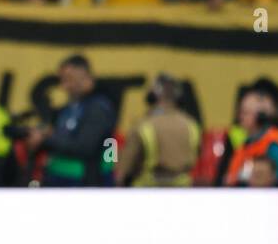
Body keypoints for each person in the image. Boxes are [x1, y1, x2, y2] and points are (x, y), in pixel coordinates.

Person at [27, 54, 117, 187]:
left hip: (82, 182)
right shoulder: (69, 108)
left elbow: (85, 146)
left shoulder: (98, 108)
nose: (64, 86)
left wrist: (47, 139)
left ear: (83, 76)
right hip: (58, 179)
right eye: (62, 80)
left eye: (68, 79)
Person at [118, 74, 200, 187]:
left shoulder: (143, 126)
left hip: (149, 189)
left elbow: (123, 172)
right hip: (183, 190)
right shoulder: (191, 125)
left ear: (153, 96)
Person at [217, 87, 278, 187]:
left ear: (261, 118)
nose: (241, 117)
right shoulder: (246, 144)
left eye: (246, 113)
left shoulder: (273, 144)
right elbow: (237, 177)